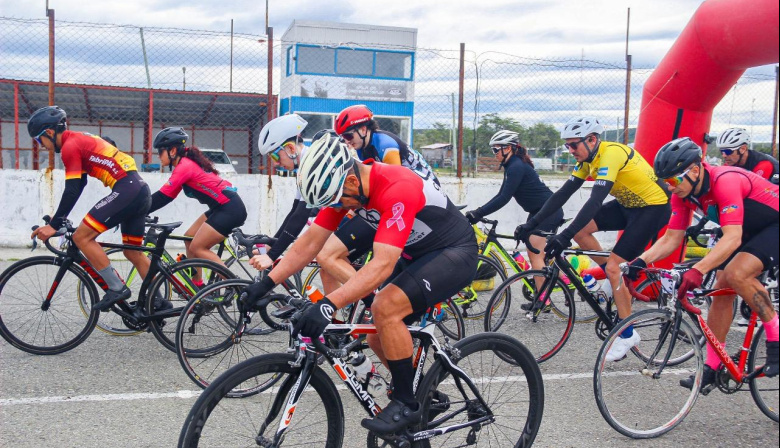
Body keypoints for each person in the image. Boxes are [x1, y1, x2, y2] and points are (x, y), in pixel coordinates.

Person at [241, 134, 478, 434]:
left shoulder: (397, 187)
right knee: (378, 332)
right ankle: (424, 395)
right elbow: (310, 244)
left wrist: (328, 306)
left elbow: (382, 264)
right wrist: (265, 283)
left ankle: (407, 402)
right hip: (418, 252)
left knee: (385, 307)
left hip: (454, 252)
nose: (341, 208)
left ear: (352, 183)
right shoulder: (346, 184)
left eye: (340, 201)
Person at [514, 117, 671, 361]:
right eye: (567, 146)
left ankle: (628, 334)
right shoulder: (587, 159)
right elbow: (562, 195)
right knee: (581, 232)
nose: (570, 150)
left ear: (592, 139)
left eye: (574, 145)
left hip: (653, 209)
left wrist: (563, 237)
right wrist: (530, 225)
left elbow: (595, 201)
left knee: (611, 265)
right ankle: (611, 276)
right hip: (627, 205)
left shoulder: (611, 154)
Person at [626, 137, 779, 388]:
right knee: (721, 290)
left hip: (773, 224)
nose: (670, 187)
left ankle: (776, 336)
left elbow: (732, 237)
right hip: (750, 229)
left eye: (674, 180)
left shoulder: (725, 180)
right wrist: (640, 261)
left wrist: (698, 269)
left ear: (695, 170)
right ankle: (712, 366)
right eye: (666, 182)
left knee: (737, 273)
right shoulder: (683, 193)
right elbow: (672, 238)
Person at [28, 106, 157, 311]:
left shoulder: (70, 146)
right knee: (133, 253)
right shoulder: (78, 139)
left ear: (49, 133)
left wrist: (54, 225)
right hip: (138, 190)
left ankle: (116, 288)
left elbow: (71, 190)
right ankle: (157, 301)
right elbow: (80, 185)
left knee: (81, 237)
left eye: (38, 140)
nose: (41, 146)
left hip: (127, 191)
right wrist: (59, 219)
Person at [316, 104, 438, 296]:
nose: (346, 142)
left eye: (348, 136)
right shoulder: (364, 148)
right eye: (342, 138)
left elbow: (393, 181)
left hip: (419, 197)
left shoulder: (383, 143)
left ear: (364, 129)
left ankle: (376, 300)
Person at [464, 130, 564, 303]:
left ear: (508, 148)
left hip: (548, 212)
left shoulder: (516, 166)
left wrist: (478, 213)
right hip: (538, 212)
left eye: (496, 150)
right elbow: (501, 194)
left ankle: (543, 301)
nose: (494, 154)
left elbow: (504, 198)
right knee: (538, 254)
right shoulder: (512, 165)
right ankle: (560, 281)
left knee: (535, 255)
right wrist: (478, 211)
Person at [147, 127, 247, 285]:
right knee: (189, 238)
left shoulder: (184, 167)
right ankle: (197, 285)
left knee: (198, 248)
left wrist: (138, 210)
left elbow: (163, 196)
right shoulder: (186, 163)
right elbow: (168, 195)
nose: (158, 156)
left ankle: (236, 285)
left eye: (160, 152)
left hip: (230, 209)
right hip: (221, 207)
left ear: (172, 150)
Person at [249, 114, 313, 270]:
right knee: (327, 265)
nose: (276, 163)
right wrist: (272, 244)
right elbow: (294, 211)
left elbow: (301, 216)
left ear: (291, 148)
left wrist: (271, 256)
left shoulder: (310, 164)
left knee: (328, 257)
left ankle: (373, 295)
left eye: (275, 156)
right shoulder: (303, 166)